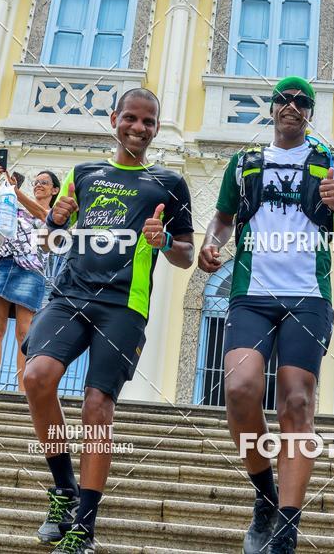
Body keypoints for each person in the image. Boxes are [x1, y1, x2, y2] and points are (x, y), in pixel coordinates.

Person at [22, 88, 194, 553]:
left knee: (98, 405)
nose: (139, 128)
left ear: (157, 129)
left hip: (123, 305)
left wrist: (162, 242)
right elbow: (51, 242)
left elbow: (186, 255)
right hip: (70, 293)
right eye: (131, 118)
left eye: (149, 122)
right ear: (114, 118)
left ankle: (84, 526)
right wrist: (56, 223)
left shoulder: (170, 184)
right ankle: (63, 487)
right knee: (37, 377)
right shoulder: (84, 174)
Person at [199, 76, 334, 554]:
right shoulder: (245, 163)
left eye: (302, 102)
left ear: (310, 112)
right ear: (270, 108)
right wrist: (212, 243)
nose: (292, 107)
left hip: (308, 297)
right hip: (251, 294)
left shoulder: (332, 164)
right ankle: (265, 497)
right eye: (284, 100)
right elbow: (224, 218)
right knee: (239, 389)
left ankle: (286, 533)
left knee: (297, 403)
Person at [0, 164, 60, 392]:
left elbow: (43, 215)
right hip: (4, 265)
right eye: (35, 182)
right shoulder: (16, 206)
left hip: (30, 271)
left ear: (54, 190)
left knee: (24, 332)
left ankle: (22, 389)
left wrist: (17, 192)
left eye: (44, 182)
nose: (38, 186)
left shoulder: (54, 215)